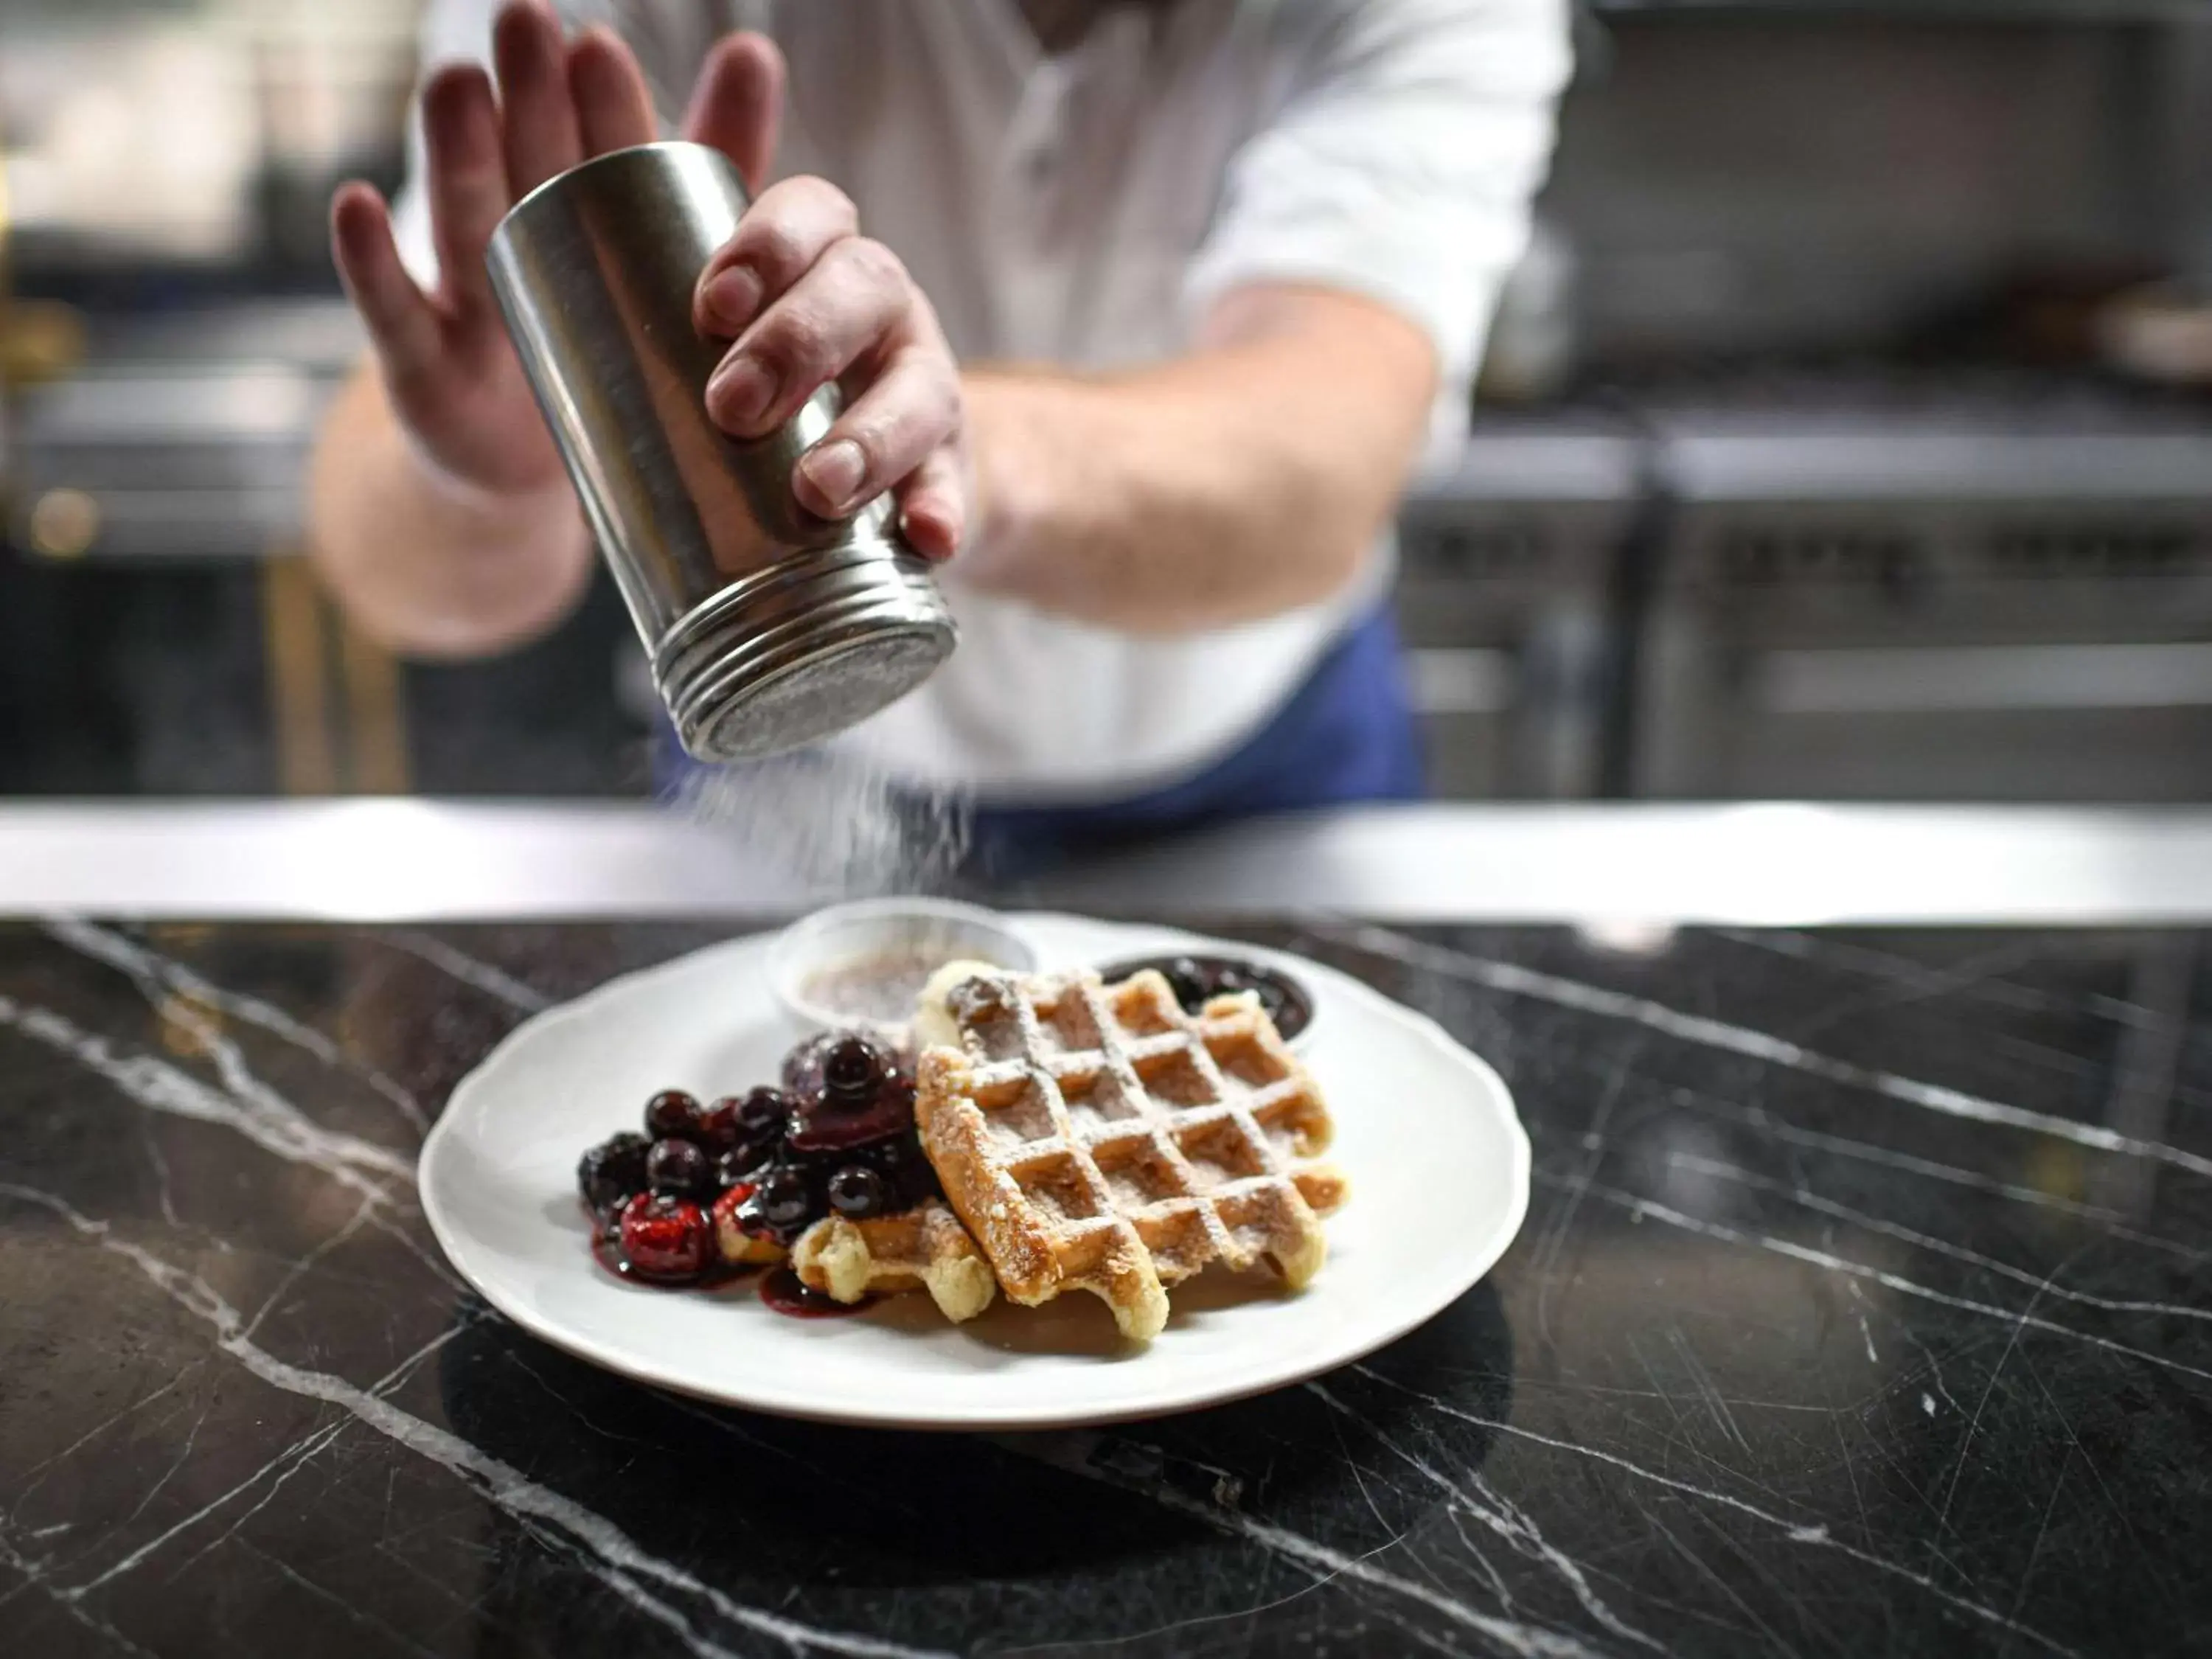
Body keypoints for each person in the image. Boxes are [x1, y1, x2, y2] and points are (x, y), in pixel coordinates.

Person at [309, 0, 1568, 867]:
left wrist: (949, 449)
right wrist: (504, 480)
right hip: (790, 779)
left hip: (1261, 774)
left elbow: (1317, 469)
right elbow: (400, 574)